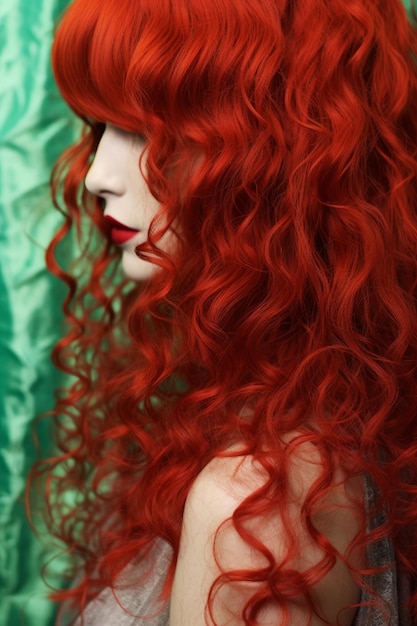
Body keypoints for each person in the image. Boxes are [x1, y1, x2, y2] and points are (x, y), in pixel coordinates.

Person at [34, 0, 417, 623]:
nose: (97, 175)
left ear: (276, 153)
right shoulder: (315, 425)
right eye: (97, 126)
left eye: (149, 131)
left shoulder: (251, 511)